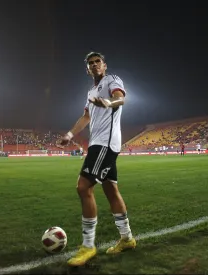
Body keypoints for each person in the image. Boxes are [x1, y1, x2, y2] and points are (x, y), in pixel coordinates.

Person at [58, 52, 136, 266]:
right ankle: (127, 239)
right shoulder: (91, 91)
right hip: (98, 143)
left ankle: (88, 246)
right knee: (111, 190)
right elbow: (86, 116)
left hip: (105, 143)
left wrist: (109, 103)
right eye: (90, 63)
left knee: (83, 188)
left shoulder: (112, 80)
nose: (94, 65)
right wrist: (70, 135)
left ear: (104, 65)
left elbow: (121, 98)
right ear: (87, 69)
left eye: (97, 62)